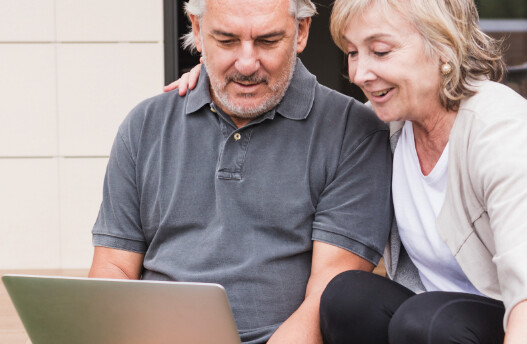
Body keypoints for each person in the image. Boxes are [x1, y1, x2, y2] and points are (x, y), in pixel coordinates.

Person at [88, 0, 394, 343]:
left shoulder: (353, 132)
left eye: (267, 41)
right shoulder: (145, 125)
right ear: (199, 31)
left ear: (301, 32)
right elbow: (114, 267)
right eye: (227, 40)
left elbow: (331, 290)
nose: (247, 64)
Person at [317, 0, 527, 343]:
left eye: (380, 51)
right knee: (349, 298)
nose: (359, 74)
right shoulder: (383, 128)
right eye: (353, 53)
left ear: (443, 47)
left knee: (426, 321)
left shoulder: (502, 133)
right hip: (440, 324)